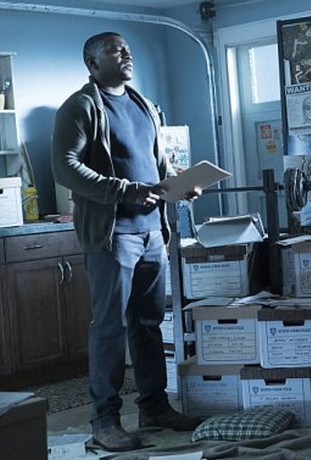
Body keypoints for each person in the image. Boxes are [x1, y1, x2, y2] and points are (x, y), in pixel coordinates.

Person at [51, 32, 203, 452]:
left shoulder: (143, 105)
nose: (126, 54)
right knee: (110, 328)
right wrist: (124, 190)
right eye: (115, 50)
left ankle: (154, 408)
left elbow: (156, 164)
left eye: (128, 49)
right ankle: (105, 422)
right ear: (92, 63)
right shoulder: (80, 107)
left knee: (149, 326)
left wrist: (179, 186)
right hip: (112, 235)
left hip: (153, 231)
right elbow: (64, 167)